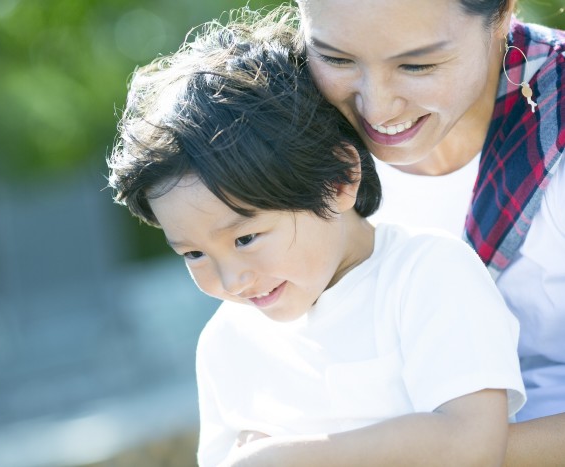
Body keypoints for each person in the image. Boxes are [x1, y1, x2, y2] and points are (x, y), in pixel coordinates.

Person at [108, 10, 526, 466]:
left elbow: (473, 443)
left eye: (245, 239)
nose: (231, 281)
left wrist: (294, 457)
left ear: (339, 180)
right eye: (193, 253)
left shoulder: (428, 276)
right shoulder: (226, 343)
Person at [294, 0, 564, 463]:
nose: (377, 107)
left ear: (503, 13)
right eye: (336, 59)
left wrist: (366, 456)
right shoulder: (291, 132)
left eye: (417, 65)